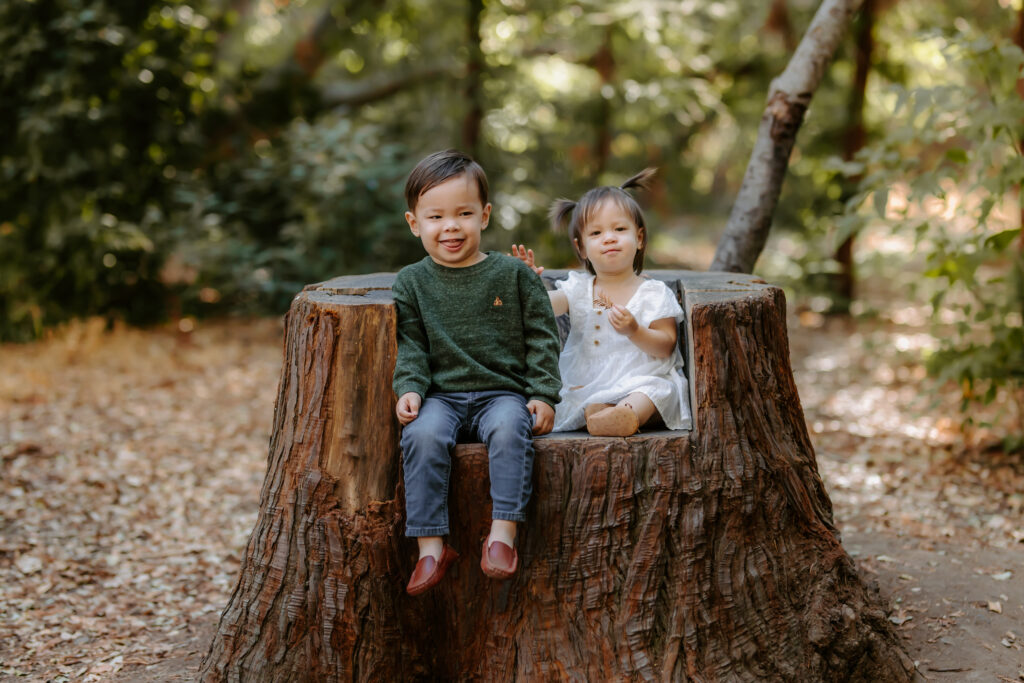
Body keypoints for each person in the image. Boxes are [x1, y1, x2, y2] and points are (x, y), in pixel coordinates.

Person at [392, 149, 562, 596]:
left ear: (484, 216)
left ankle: (502, 536)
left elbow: (542, 336)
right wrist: (409, 388)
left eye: (463, 213)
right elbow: (410, 344)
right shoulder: (411, 282)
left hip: (500, 393)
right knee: (421, 436)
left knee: (511, 430)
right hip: (440, 397)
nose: (450, 226)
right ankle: (431, 547)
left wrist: (543, 393)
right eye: (436, 217)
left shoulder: (512, 275)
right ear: (415, 223)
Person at [512, 168, 692, 437]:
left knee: (654, 390)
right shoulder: (579, 288)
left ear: (639, 238)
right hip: (590, 383)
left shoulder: (653, 293)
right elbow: (545, 306)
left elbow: (665, 346)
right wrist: (525, 283)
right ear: (582, 248)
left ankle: (625, 414)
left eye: (619, 229)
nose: (609, 237)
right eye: (596, 233)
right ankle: (603, 412)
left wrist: (635, 330)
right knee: (583, 399)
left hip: (641, 379)